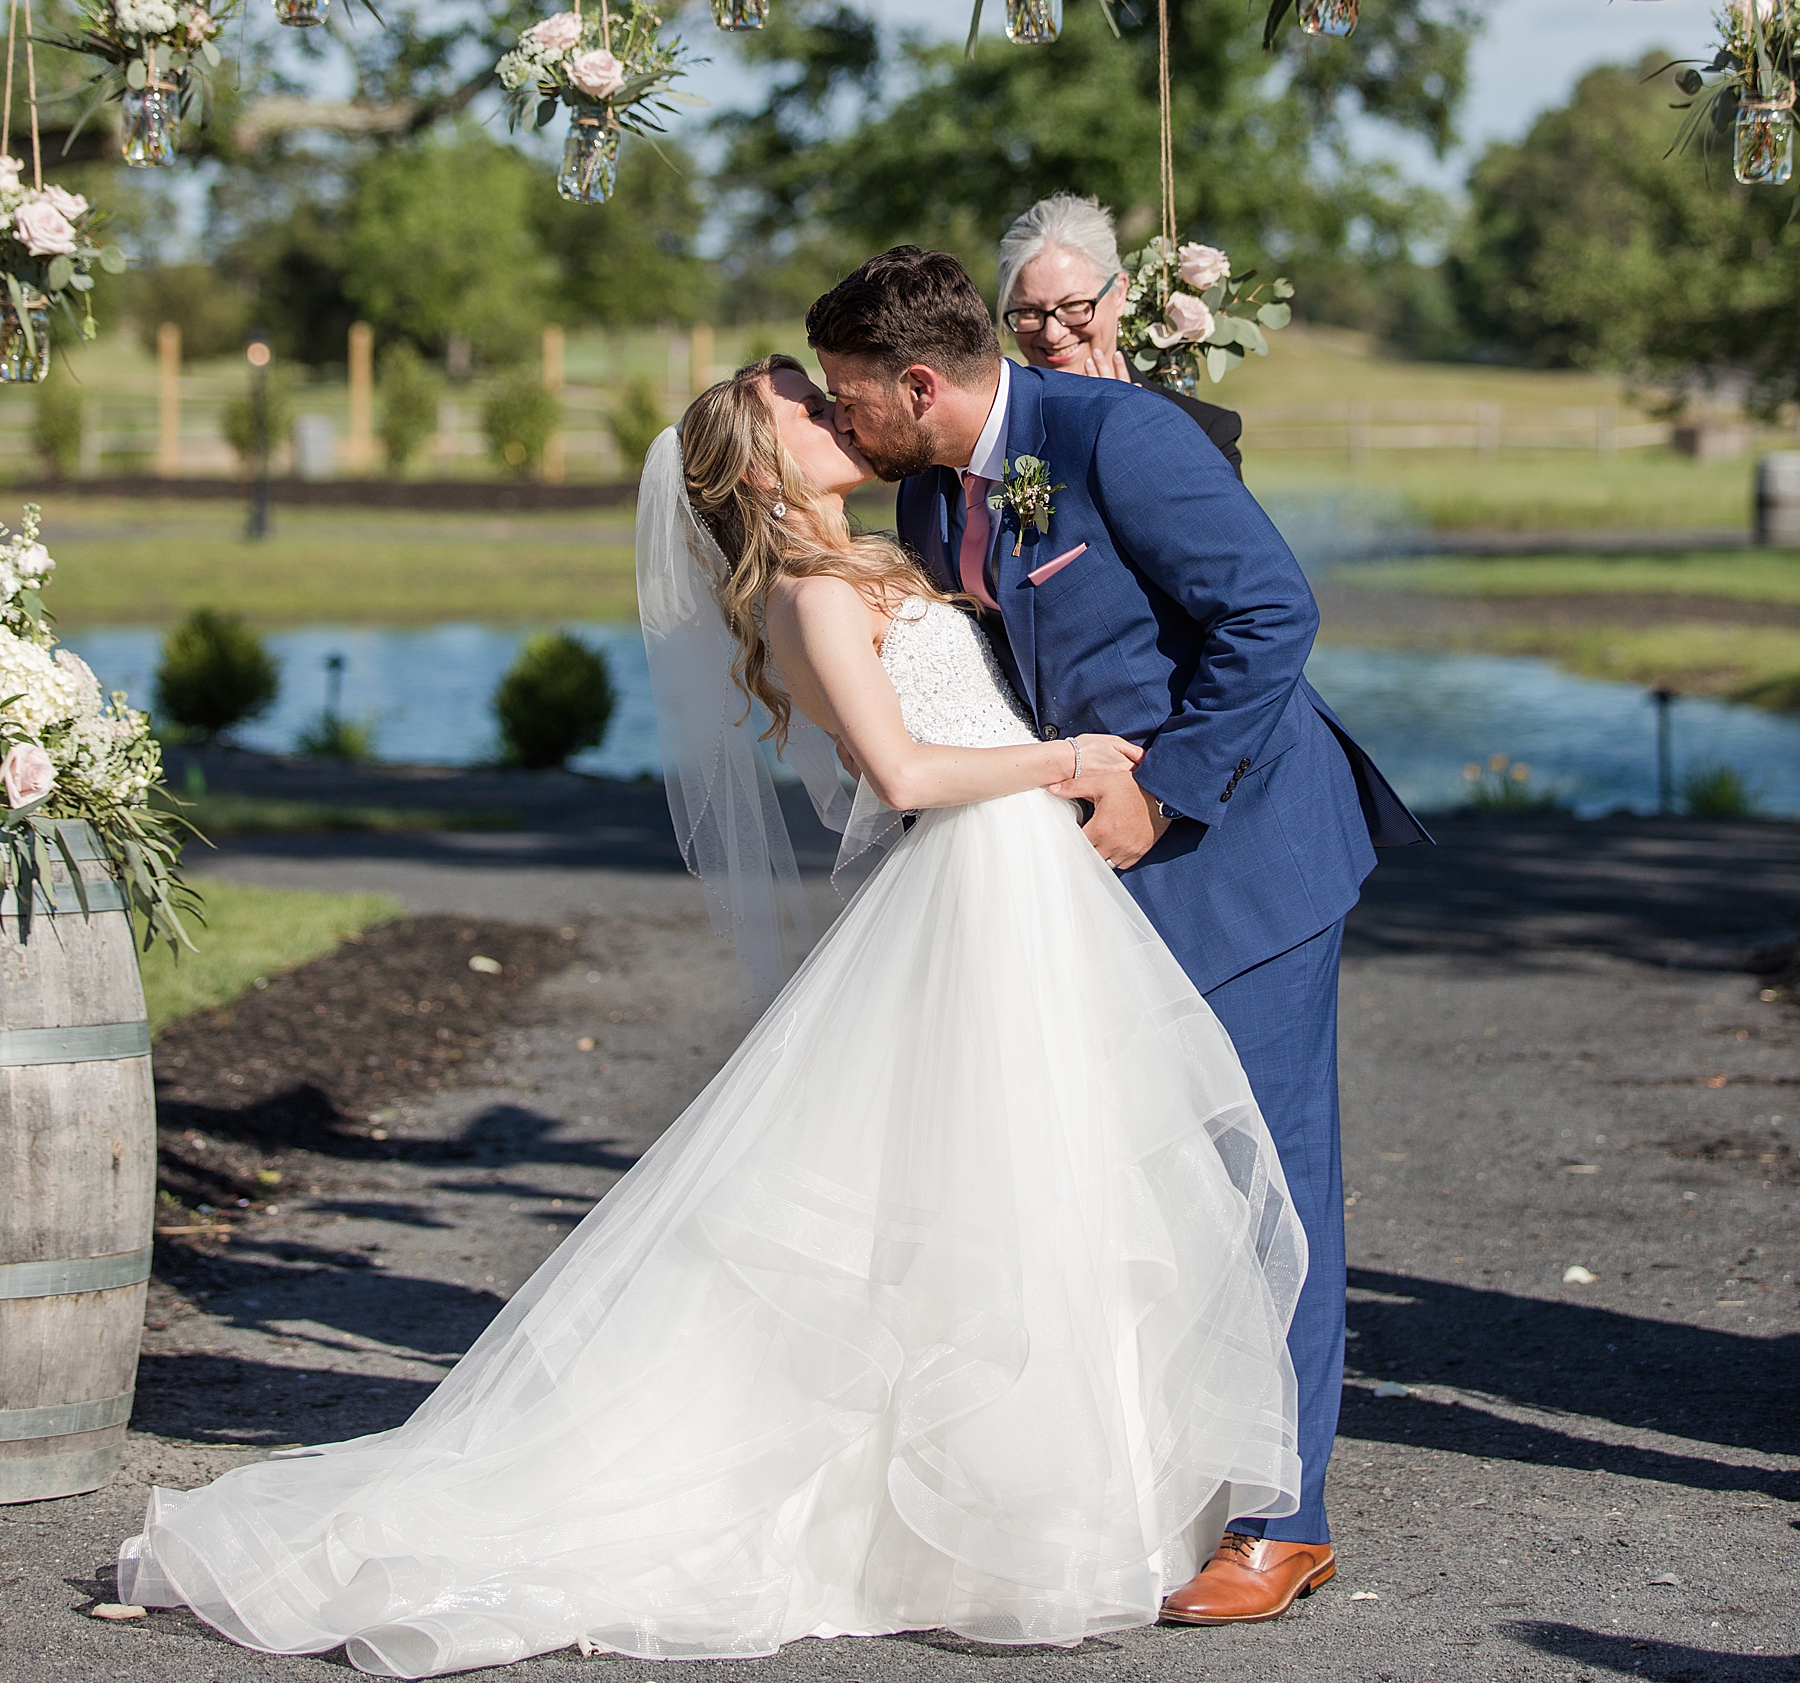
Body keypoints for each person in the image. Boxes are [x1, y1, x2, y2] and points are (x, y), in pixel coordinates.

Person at [117, 354, 1307, 1670]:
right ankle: (968, 1518)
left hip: (1021, 884)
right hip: (981, 873)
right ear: (753, 464)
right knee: (974, 1195)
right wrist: (1067, 760)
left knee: (1028, 1185)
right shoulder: (805, 591)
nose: (833, 414)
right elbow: (904, 774)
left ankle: (1077, 1502)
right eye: (804, 406)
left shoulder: (881, 549)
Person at [806, 248, 1430, 1628]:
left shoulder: (1119, 436)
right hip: (1081, 881)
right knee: (1122, 1179)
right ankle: (1169, 1478)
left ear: (920, 382)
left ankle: (1288, 1521)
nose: (839, 424)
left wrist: (1164, 789)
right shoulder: (923, 490)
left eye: (851, 400)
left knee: (1263, 1173)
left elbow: (1271, 616)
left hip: (1243, 855)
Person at [997, 191, 1244, 476]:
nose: (1053, 334)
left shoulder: (1204, 431)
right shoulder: (994, 428)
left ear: (1119, 292)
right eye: (1029, 312)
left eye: (1074, 306)